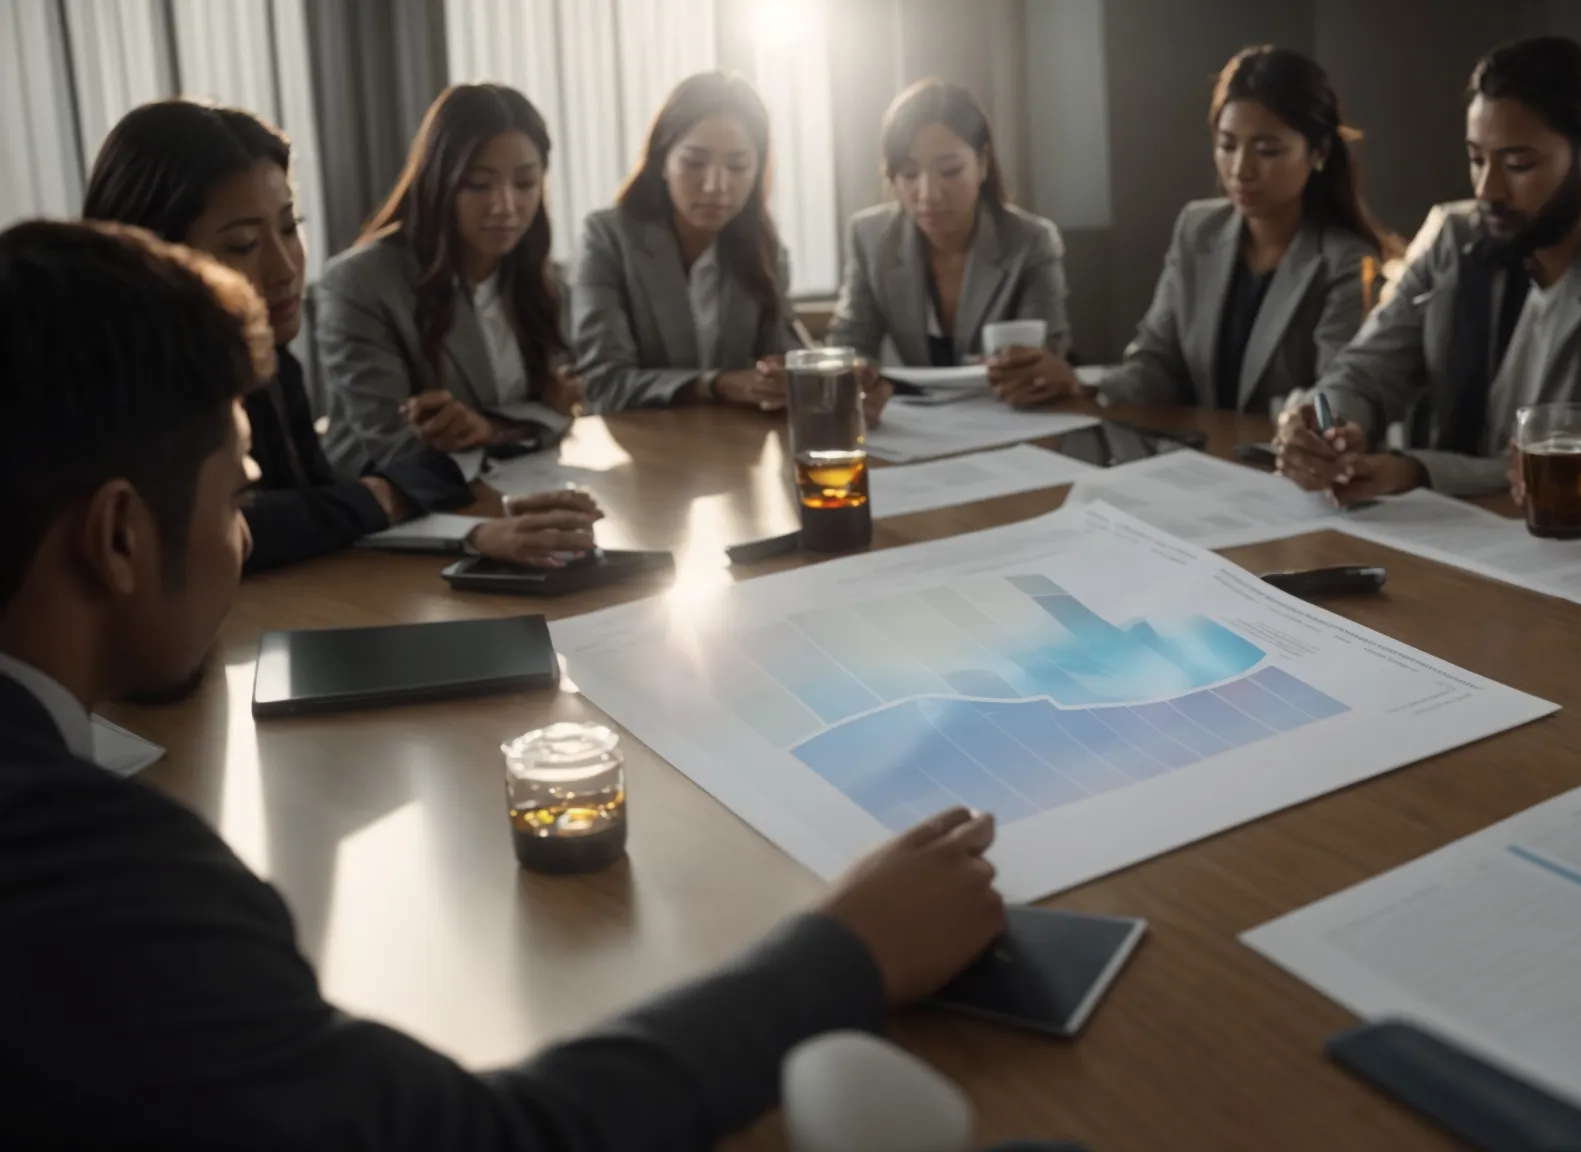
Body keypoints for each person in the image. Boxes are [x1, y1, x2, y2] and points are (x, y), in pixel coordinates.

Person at [0, 219, 1006, 1147]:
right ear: (121, 537)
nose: (244, 537)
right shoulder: (90, 875)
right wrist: (843, 952)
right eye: (235, 502)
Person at [1277, 37, 1581, 501]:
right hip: (1450, 538)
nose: (1488, 190)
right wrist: (1325, 425)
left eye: (1518, 164)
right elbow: (1364, 374)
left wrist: (1421, 472)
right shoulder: (1453, 237)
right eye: (1476, 159)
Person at [79, 99, 475, 572]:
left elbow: (313, 502)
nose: (285, 269)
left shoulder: (270, 358)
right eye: (243, 244)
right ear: (157, 255)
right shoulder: (117, 391)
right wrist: (389, 494)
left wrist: (474, 534)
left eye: (289, 228)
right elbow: (217, 530)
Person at [318, 84, 594, 561]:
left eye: (525, 184)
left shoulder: (538, 279)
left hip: (506, 503)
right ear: (439, 181)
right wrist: (525, 421)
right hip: (393, 533)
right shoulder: (361, 283)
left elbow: (559, 414)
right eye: (478, 183)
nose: (505, 206)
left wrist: (489, 430)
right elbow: (398, 451)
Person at [1087, 46, 1402, 417]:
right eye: (1227, 146)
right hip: (1195, 461)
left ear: (1318, 153)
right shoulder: (1198, 229)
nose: (1241, 170)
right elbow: (1157, 362)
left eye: (1267, 150)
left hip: (1285, 465)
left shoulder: (1347, 263)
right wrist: (1082, 386)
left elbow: (1337, 399)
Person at [574, 72, 818, 415]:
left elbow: (785, 359)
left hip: (735, 451)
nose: (716, 186)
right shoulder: (608, 238)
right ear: (662, 162)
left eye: (737, 166)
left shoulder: (763, 248)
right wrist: (715, 385)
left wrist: (809, 379)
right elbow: (603, 384)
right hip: (645, 451)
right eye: (694, 163)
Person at [828, 78, 1070, 407]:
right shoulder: (869, 237)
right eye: (909, 174)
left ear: (982, 163)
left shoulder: (1031, 242)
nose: (929, 194)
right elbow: (849, 345)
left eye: (950, 170)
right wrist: (856, 381)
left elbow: (1048, 354)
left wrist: (1036, 371)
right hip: (912, 423)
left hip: (1005, 417)